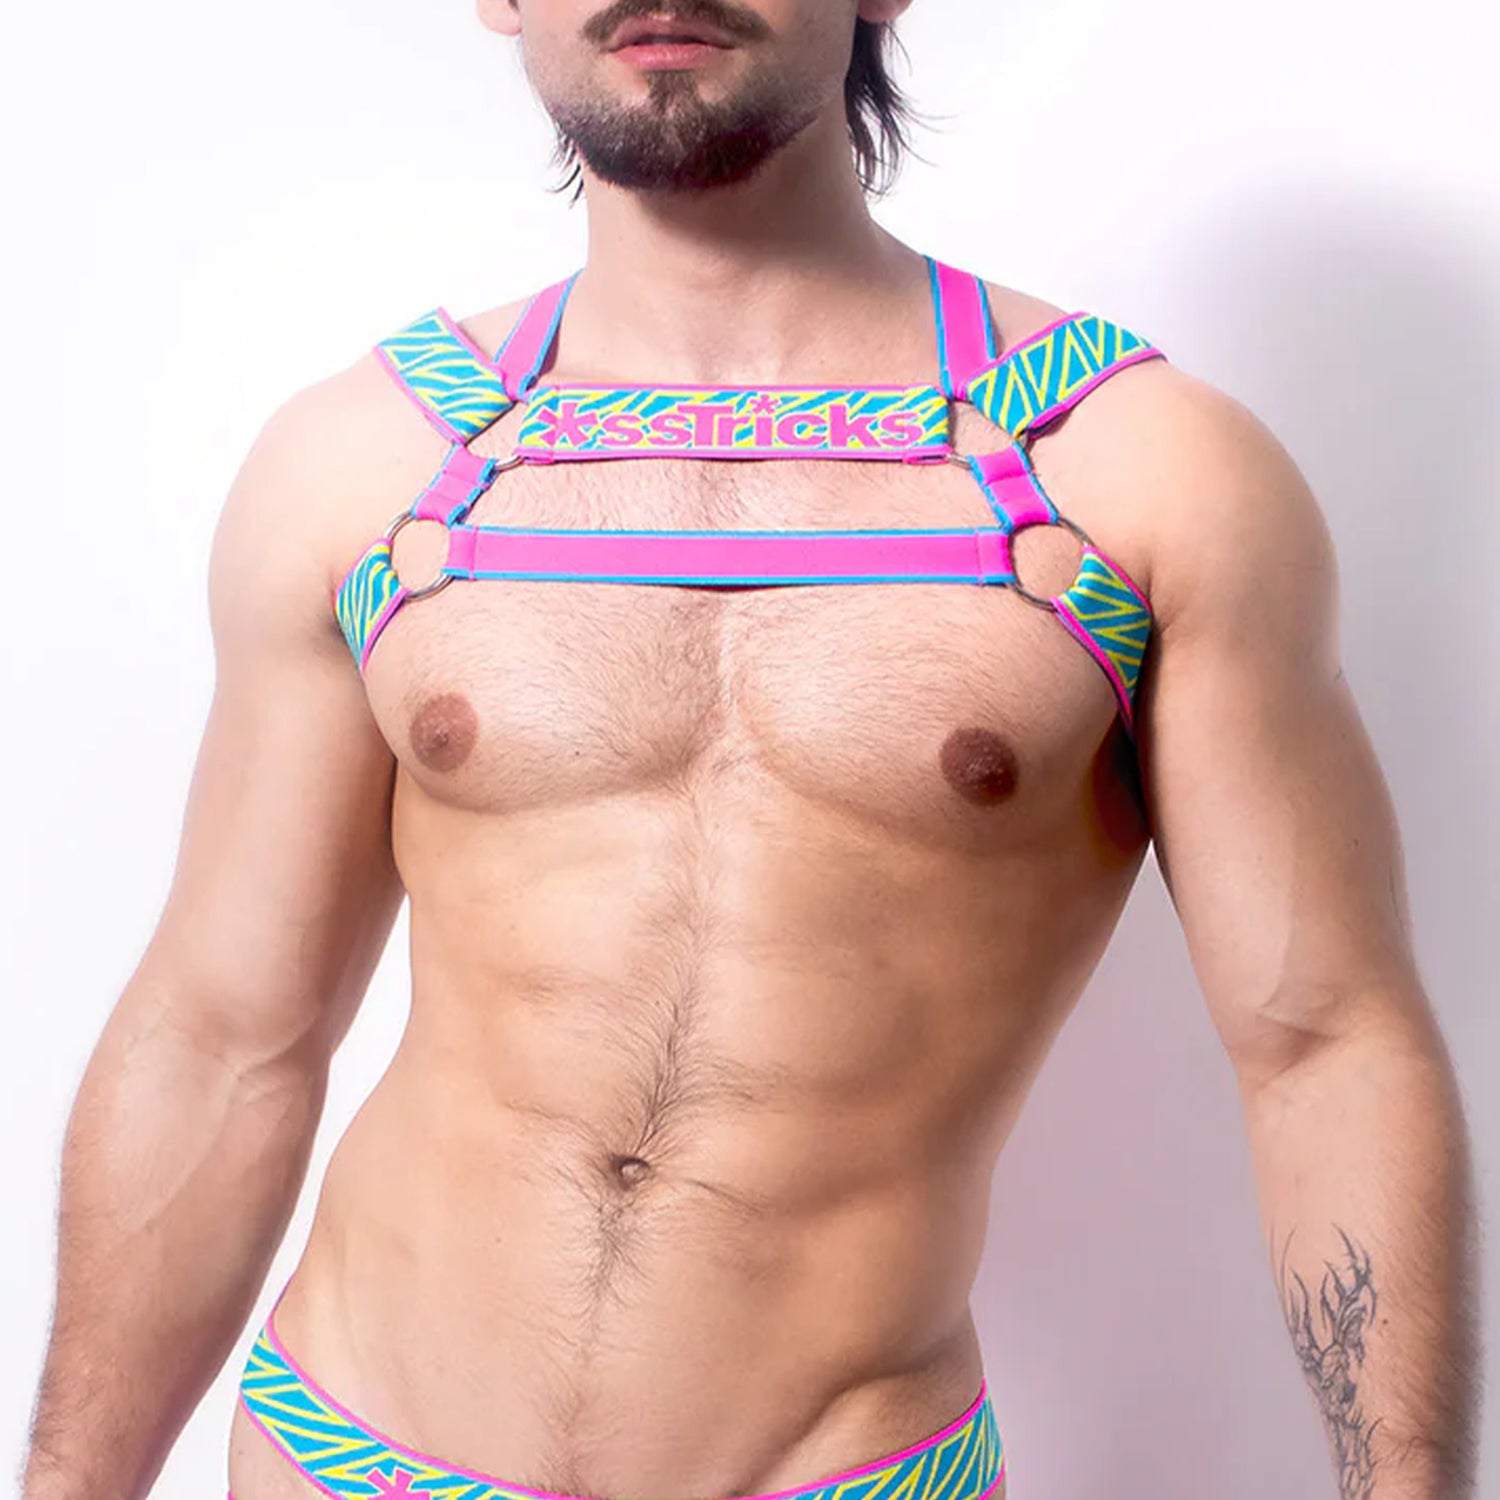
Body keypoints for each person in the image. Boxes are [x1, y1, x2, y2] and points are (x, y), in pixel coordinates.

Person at [22, 2, 1480, 1498]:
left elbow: (1325, 1049)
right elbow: (224, 1035)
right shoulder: (376, 470)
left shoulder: (1128, 477)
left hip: (840, 1468)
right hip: (351, 1448)